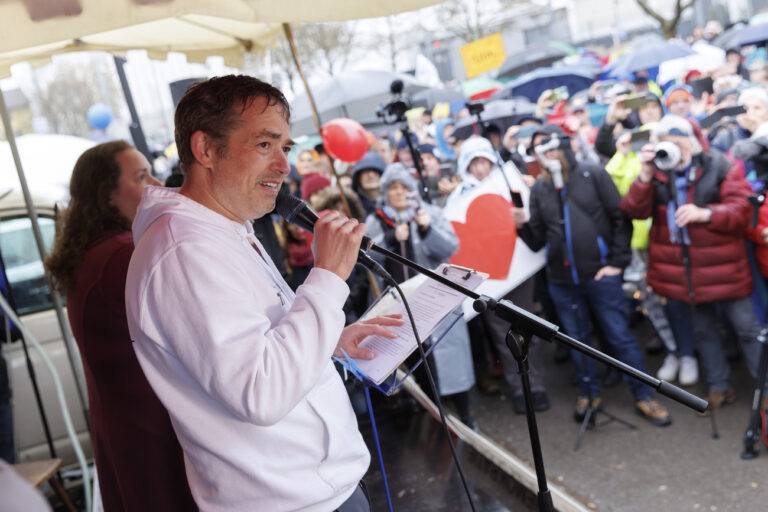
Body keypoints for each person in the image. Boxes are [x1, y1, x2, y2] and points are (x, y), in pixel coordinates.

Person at [124, 75, 402, 511]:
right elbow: (260, 390)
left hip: (320, 492)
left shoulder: (223, 230)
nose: (284, 165)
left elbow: (260, 344)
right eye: (264, 145)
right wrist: (328, 277)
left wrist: (327, 342)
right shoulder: (185, 250)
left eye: (285, 148)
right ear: (205, 150)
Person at [44, 141, 196, 511]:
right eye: (141, 177)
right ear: (107, 195)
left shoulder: (99, 251)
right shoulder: (121, 255)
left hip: (131, 427)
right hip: (153, 434)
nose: (158, 183)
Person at [512, 125, 672, 426]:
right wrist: (521, 225)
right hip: (562, 282)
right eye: (541, 150)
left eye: (552, 147)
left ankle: (643, 395)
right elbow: (537, 240)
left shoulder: (593, 174)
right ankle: (589, 393)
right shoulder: (541, 189)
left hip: (600, 276)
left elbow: (619, 217)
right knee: (577, 340)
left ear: (565, 147)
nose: (549, 155)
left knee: (619, 336)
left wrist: (616, 263)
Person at [621, 115, 768, 414]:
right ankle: (718, 385)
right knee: (703, 332)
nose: (674, 148)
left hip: (725, 269)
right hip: (684, 273)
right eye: (668, 142)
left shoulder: (719, 165)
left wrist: (706, 214)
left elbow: (742, 210)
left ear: (693, 140)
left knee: (747, 330)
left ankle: (764, 390)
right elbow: (633, 211)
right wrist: (646, 173)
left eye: (679, 141)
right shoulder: (658, 172)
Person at [365, 163, 476, 427]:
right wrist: (391, 237)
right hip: (399, 306)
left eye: (404, 187)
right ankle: (436, 418)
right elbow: (367, 259)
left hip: (437, 302)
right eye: (393, 188)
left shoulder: (431, 213)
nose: (400, 192)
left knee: (450, 358)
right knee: (418, 361)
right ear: (386, 192)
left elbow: (450, 247)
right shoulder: (375, 220)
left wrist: (427, 229)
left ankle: (465, 415)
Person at [447, 136, 550, 414]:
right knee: (502, 335)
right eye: (474, 163)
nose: (481, 168)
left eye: (485, 161)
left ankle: (536, 385)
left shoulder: (510, 184)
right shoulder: (457, 199)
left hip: (520, 269)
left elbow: (531, 216)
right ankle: (519, 389)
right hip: (488, 279)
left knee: (528, 327)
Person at [351, 151, 387, 216]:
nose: (371, 175)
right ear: (358, 178)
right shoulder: (352, 206)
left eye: (375, 171)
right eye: (366, 171)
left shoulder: (394, 202)